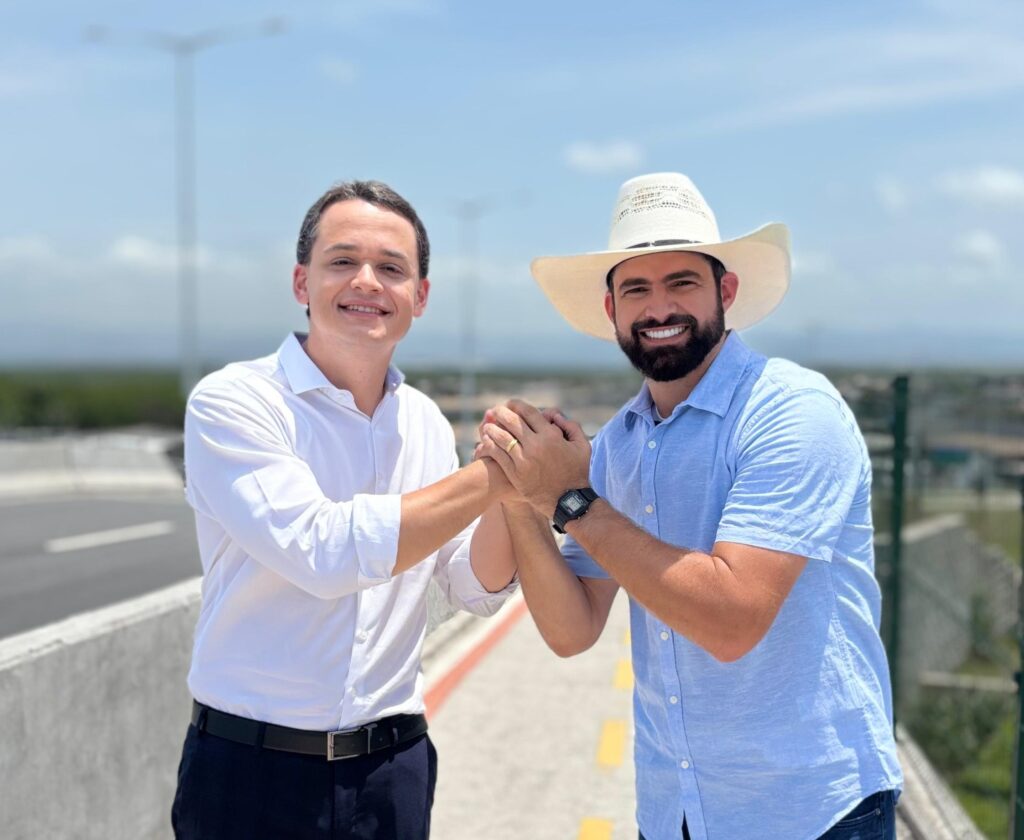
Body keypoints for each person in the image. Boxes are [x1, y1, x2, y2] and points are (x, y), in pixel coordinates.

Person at [477, 173, 902, 840]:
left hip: (811, 809)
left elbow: (732, 619)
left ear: (725, 292)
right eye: (637, 289)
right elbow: (572, 629)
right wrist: (523, 494)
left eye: (682, 282)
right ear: (612, 309)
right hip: (676, 810)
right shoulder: (620, 441)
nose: (659, 307)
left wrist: (572, 496)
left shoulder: (791, 411)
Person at [171, 180, 518, 839]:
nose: (367, 281)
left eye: (392, 268)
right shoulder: (235, 402)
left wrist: (510, 485)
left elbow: (471, 583)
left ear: (420, 296)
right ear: (302, 282)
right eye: (342, 261)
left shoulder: (423, 421)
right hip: (250, 774)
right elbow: (323, 553)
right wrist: (494, 473)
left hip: (392, 772)